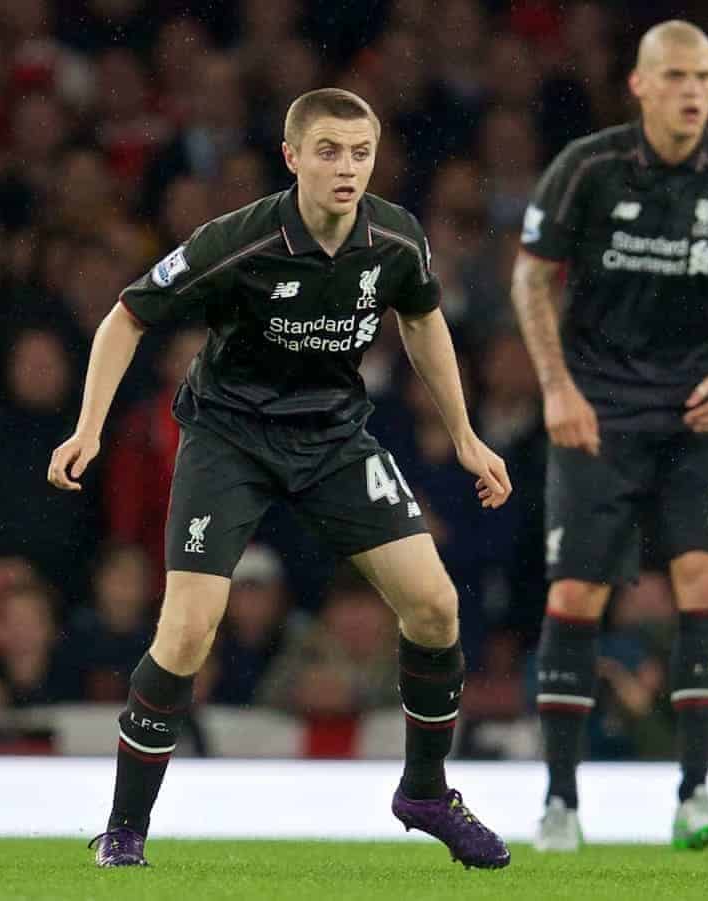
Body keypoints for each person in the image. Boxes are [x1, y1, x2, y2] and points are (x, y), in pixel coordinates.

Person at [48, 88, 513, 869]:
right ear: (292, 156)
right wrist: (89, 426)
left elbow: (423, 317)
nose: (347, 168)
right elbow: (128, 314)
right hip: (229, 439)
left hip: (333, 439)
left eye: (360, 152)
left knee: (435, 606)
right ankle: (124, 827)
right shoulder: (239, 241)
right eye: (328, 151)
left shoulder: (396, 239)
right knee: (188, 629)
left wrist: (465, 435)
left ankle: (426, 792)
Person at [512, 20, 708, 852]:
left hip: (698, 413)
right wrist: (557, 386)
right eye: (675, 75)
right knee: (575, 596)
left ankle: (697, 793)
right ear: (639, 85)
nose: (694, 90)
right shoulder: (590, 168)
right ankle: (560, 803)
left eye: (704, 76)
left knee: (707, 584)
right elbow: (531, 274)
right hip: (596, 414)